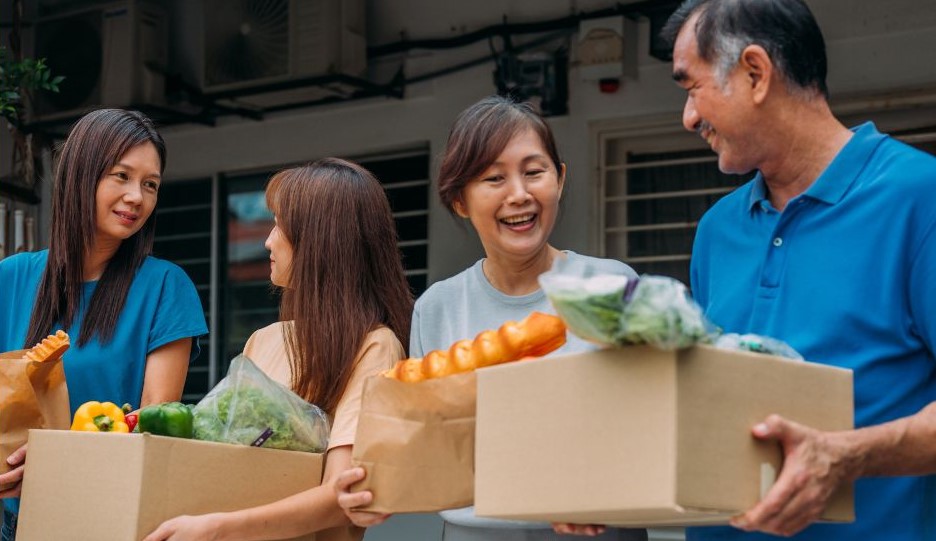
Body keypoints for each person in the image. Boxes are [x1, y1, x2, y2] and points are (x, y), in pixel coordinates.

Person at [659, 0, 936, 539]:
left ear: (756, 73)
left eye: (692, 88)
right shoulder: (717, 229)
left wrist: (846, 455)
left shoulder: (920, 197)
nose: (688, 117)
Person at [334, 96, 647, 541]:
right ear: (459, 201)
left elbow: (652, 426)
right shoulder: (437, 307)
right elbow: (430, 449)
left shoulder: (614, 287)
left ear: (560, 178)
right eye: (494, 178)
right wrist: (371, 488)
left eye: (534, 172)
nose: (519, 194)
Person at [143, 158, 413, 541]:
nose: (267, 240)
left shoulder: (375, 347)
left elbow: (342, 495)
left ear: (320, 239)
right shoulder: (264, 340)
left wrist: (217, 528)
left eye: (279, 225)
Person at [0, 109, 208, 540]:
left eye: (150, 185)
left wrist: (55, 462)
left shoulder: (166, 287)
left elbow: (151, 429)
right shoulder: (12, 277)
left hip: (106, 519)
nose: (137, 196)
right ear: (80, 175)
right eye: (121, 176)